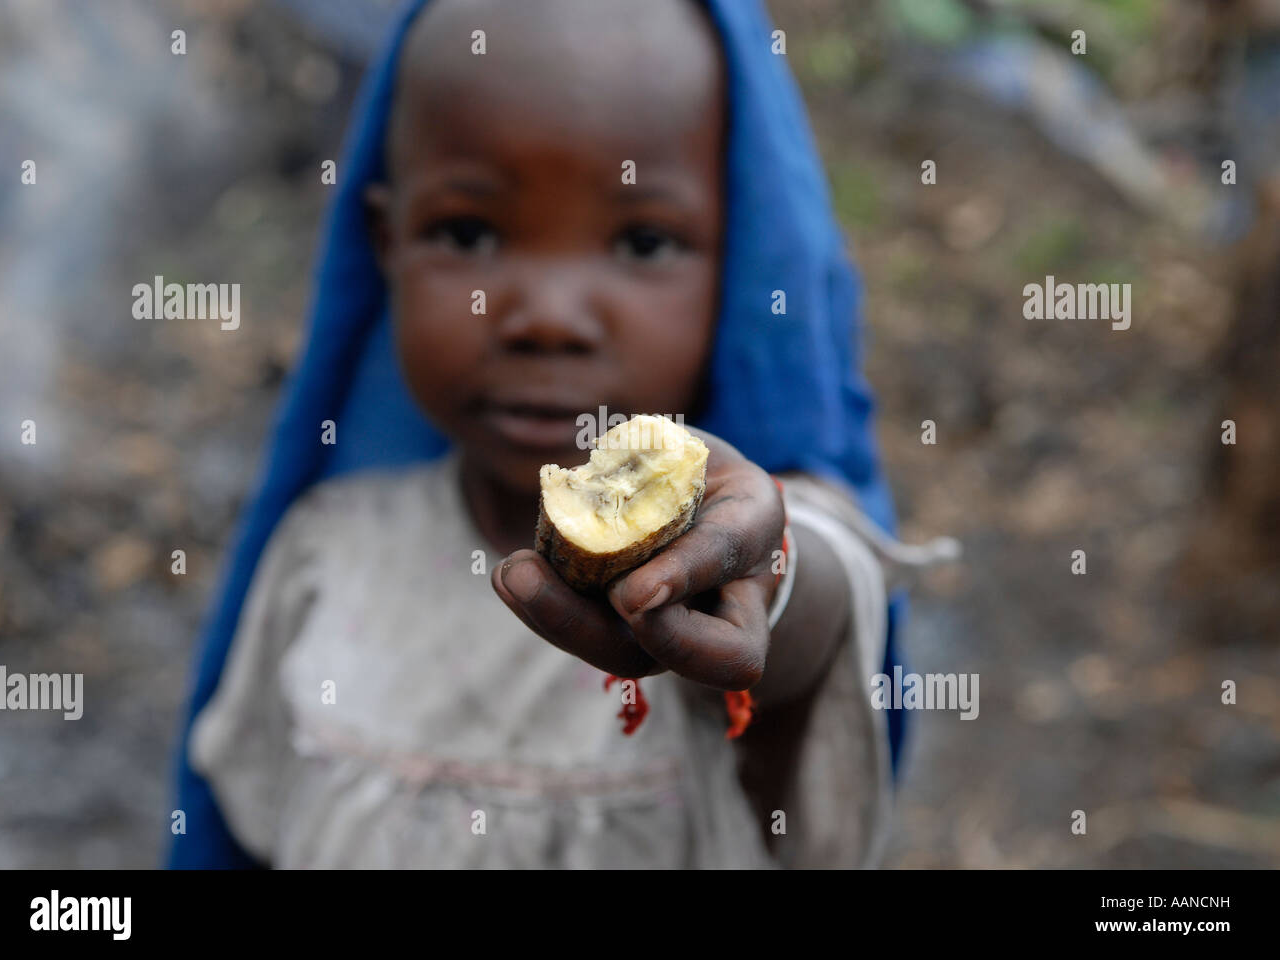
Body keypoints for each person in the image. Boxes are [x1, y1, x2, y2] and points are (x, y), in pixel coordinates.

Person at [168, 0, 939, 869]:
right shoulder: (324, 553)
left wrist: (762, 572)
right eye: (470, 231)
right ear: (386, 244)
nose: (548, 317)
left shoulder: (729, 564)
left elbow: (806, 607)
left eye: (644, 242)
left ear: (741, 270)